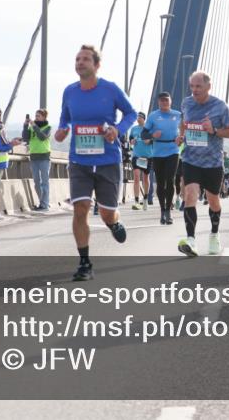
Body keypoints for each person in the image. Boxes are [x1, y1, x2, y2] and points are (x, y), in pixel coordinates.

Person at [54, 45, 136, 281]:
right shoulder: (70, 91)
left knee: (107, 214)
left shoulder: (110, 89)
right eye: (77, 59)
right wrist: (62, 130)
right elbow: (65, 118)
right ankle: (84, 263)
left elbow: (130, 113)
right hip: (79, 160)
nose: (80, 63)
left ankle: (113, 223)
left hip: (108, 160)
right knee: (81, 209)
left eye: (85, 59)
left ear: (97, 65)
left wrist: (117, 130)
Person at [175, 71, 229, 256]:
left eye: (198, 86)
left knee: (213, 201)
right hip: (191, 158)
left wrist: (214, 130)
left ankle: (214, 234)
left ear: (208, 87)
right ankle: (191, 240)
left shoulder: (220, 107)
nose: (194, 90)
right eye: (192, 86)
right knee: (190, 194)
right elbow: (183, 122)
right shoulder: (186, 103)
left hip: (212, 162)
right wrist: (181, 136)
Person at [142, 92, 182, 225]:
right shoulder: (153, 116)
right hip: (158, 152)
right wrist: (153, 135)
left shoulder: (177, 115)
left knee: (170, 180)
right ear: (158, 102)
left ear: (170, 101)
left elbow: (185, 130)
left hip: (173, 150)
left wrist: (181, 138)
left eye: (166, 100)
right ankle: (162, 210)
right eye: (161, 101)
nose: (164, 103)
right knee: (160, 183)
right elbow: (143, 134)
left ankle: (169, 212)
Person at [22, 109, 52, 211]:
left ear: (44, 117)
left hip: (44, 157)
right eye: (36, 115)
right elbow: (25, 137)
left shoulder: (48, 127)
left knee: (45, 182)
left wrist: (34, 126)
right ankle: (42, 202)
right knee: (36, 182)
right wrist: (26, 126)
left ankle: (44, 205)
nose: (36, 117)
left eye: (38, 116)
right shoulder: (31, 127)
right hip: (34, 157)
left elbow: (42, 137)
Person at [128, 112, 153, 211]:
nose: (138, 119)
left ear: (144, 119)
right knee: (137, 177)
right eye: (137, 117)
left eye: (140, 117)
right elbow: (130, 140)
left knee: (146, 178)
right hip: (137, 156)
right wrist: (132, 141)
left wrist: (149, 141)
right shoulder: (134, 129)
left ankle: (146, 198)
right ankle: (136, 201)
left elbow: (154, 139)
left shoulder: (149, 129)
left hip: (147, 156)